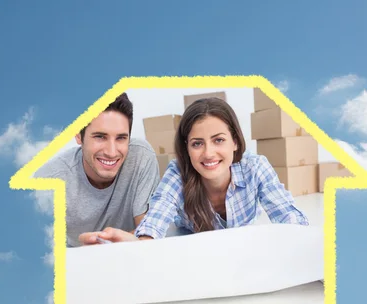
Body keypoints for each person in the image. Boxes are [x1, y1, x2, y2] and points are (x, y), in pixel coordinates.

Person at [79, 96, 308, 245]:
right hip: (195, 247)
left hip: (240, 249)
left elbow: (289, 217)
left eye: (218, 140)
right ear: (186, 147)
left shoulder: (255, 167)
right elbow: (158, 214)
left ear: (235, 142)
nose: (208, 153)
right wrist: (135, 242)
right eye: (197, 143)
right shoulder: (178, 172)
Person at [34, 92, 161, 247]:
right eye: (100, 137)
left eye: (121, 138)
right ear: (79, 136)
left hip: (129, 255)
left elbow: (149, 236)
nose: (112, 152)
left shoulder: (141, 157)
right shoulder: (49, 179)